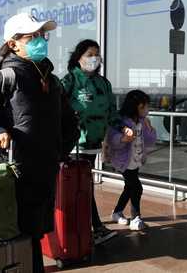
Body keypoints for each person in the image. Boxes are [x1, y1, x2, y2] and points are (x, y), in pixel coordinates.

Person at [0, 13, 78, 273]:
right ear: (13, 44)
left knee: (34, 236)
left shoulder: (51, 81)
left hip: (43, 174)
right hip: (13, 177)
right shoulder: (7, 77)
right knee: (17, 239)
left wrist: (57, 152)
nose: (40, 41)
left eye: (42, 35)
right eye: (32, 36)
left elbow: (68, 124)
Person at [62, 39, 132, 245]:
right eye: (89, 54)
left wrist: (122, 127)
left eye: (97, 54)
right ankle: (94, 227)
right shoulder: (70, 81)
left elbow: (111, 112)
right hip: (75, 145)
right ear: (78, 57)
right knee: (83, 187)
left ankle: (89, 227)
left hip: (93, 145)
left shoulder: (103, 84)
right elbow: (56, 107)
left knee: (84, 187)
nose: (94, 58)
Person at [107, 90, 157, 230]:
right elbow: (112, 140)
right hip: (124, 162)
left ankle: (117, 212)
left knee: (129, 188)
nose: (147, 110)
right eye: (146, 106)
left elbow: (150, 141)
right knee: (137, 187)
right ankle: (136, 218)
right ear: (138, 107)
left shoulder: (142, 122)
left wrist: (150, 128)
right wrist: (123, 139)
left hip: (135, 161)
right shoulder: (122, 122)